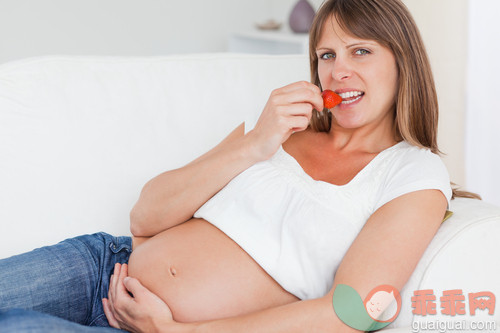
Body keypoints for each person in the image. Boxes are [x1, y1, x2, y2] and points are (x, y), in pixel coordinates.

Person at [0, 0, 477, 331]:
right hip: (106, 264)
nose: (339, 70)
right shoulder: (278, 127)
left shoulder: (411, 172)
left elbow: (353, 311)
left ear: (402, 62)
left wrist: (176, 331)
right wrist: (257, 143)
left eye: (361, 51)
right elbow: (145, 215)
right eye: (327, 55)